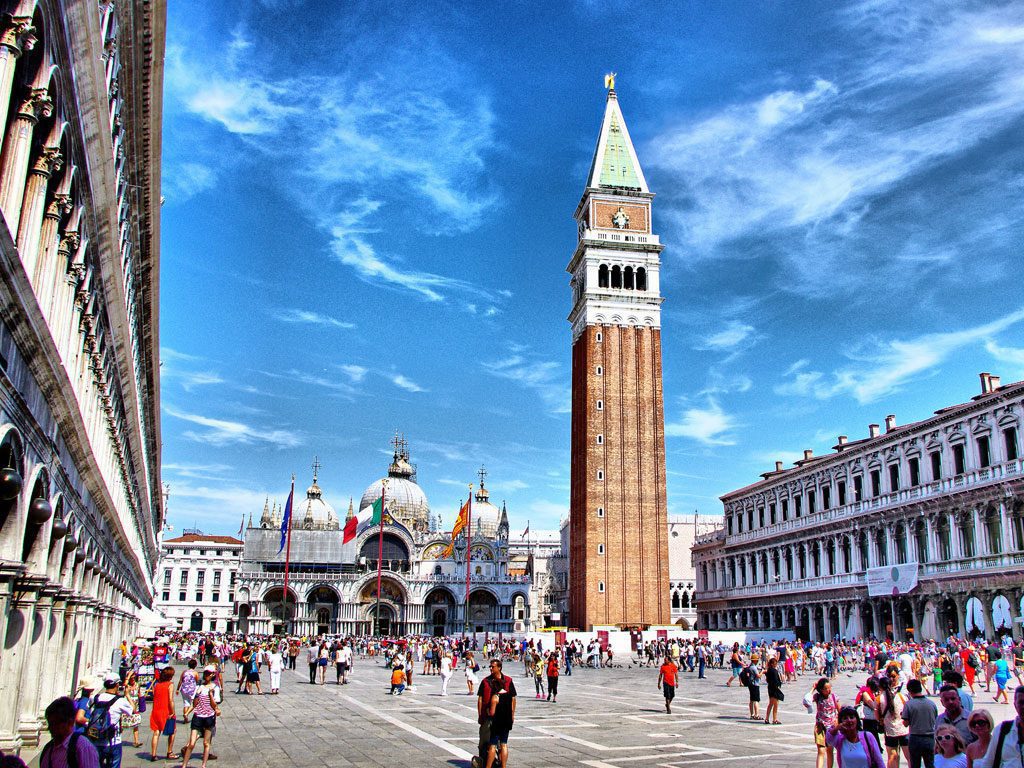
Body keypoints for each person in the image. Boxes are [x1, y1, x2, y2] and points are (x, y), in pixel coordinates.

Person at [86, 674, 135, 768]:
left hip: (95, 739)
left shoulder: (95, 698)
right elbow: (133, 710)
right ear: (117, 685)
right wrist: (127, 694)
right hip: (113, 741)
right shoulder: (120, 701)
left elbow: (89, 709)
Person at [41, 696, 100, 768]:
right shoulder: (48, 749)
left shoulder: (83, 748)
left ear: (70, 722)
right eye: (50, 723)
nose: (51, 728)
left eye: (56, 723)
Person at [180, 669, 221, 768]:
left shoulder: (215, 688)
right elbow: (195, 703)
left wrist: (210, 694)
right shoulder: (199, 687)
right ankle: (184, 765)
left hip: (209, 717)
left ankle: (203, 765)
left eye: (209, 674)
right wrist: (187, 713)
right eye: (205, 673)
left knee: (206, 743)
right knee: (191, 744)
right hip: (197, 716)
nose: (206, 675)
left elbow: (214, 705)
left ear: (212, 675)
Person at [482, 659, 516, 768]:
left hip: (497, 722)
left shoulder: (495, 697)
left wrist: (487, 711)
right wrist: (512, 715)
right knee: (504, 744)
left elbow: (492, 712)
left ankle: (488, 766)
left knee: (492, 745)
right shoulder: (507, 695)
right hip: (506, 721)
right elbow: (512, 703)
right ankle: (504, 766)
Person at [901, 679, 937, 768]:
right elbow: (935, 719)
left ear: (910, 691)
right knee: (930, 764)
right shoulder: (931, 703)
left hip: (915, 738)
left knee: (915, 764)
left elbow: (905, 723)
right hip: (930, 738)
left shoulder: (909, 704)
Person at [879, 672, 910, 768]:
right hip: (903, 730)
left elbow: (878, 717)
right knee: (909, 757)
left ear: (880, 687)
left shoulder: (879, 698)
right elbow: (908, 710)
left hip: (890, 731)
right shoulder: (901, 696)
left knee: (892, 756)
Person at [149, 666, 176, 761]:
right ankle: (169, 752)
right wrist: (172, 711)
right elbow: (170, 699)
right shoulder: (170, 684)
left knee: (156, 732)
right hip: (166, 711)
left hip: (156, 710)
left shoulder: (157, 685)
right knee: (172, 731)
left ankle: (153, 754)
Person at [814, 678, 840, 768]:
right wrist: (813, 688)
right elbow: (806, 700)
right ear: (821, 689)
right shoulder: (817, 697)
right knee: (821, 751)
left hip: (831, 727)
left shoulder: (834, 697)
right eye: (826, 689)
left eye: (830, 688)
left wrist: (837, 721)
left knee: (830, 750)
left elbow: (840, 711)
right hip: (820, 727)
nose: (829, 690)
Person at [765, 656, 785, 725]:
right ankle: (774, 719)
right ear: (773, 664)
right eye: (775, 663)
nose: (776, 664)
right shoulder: (774, 671)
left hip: (770, 688)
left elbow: (767, 680)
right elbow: (776, 680)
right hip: (774, 689)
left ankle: (767, 718)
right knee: (775, 705)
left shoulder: (768, 670)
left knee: (770, 704)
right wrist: (779, 685)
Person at [744, 654, 762, 721]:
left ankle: (752, 714)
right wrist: (762, 672)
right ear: (755, 661)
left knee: (751, 700)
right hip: (755, 684)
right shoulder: (753, 667)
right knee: (756, 700)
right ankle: (756, 715)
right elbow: (758, 676)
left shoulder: (750, 666)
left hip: (751, 684)